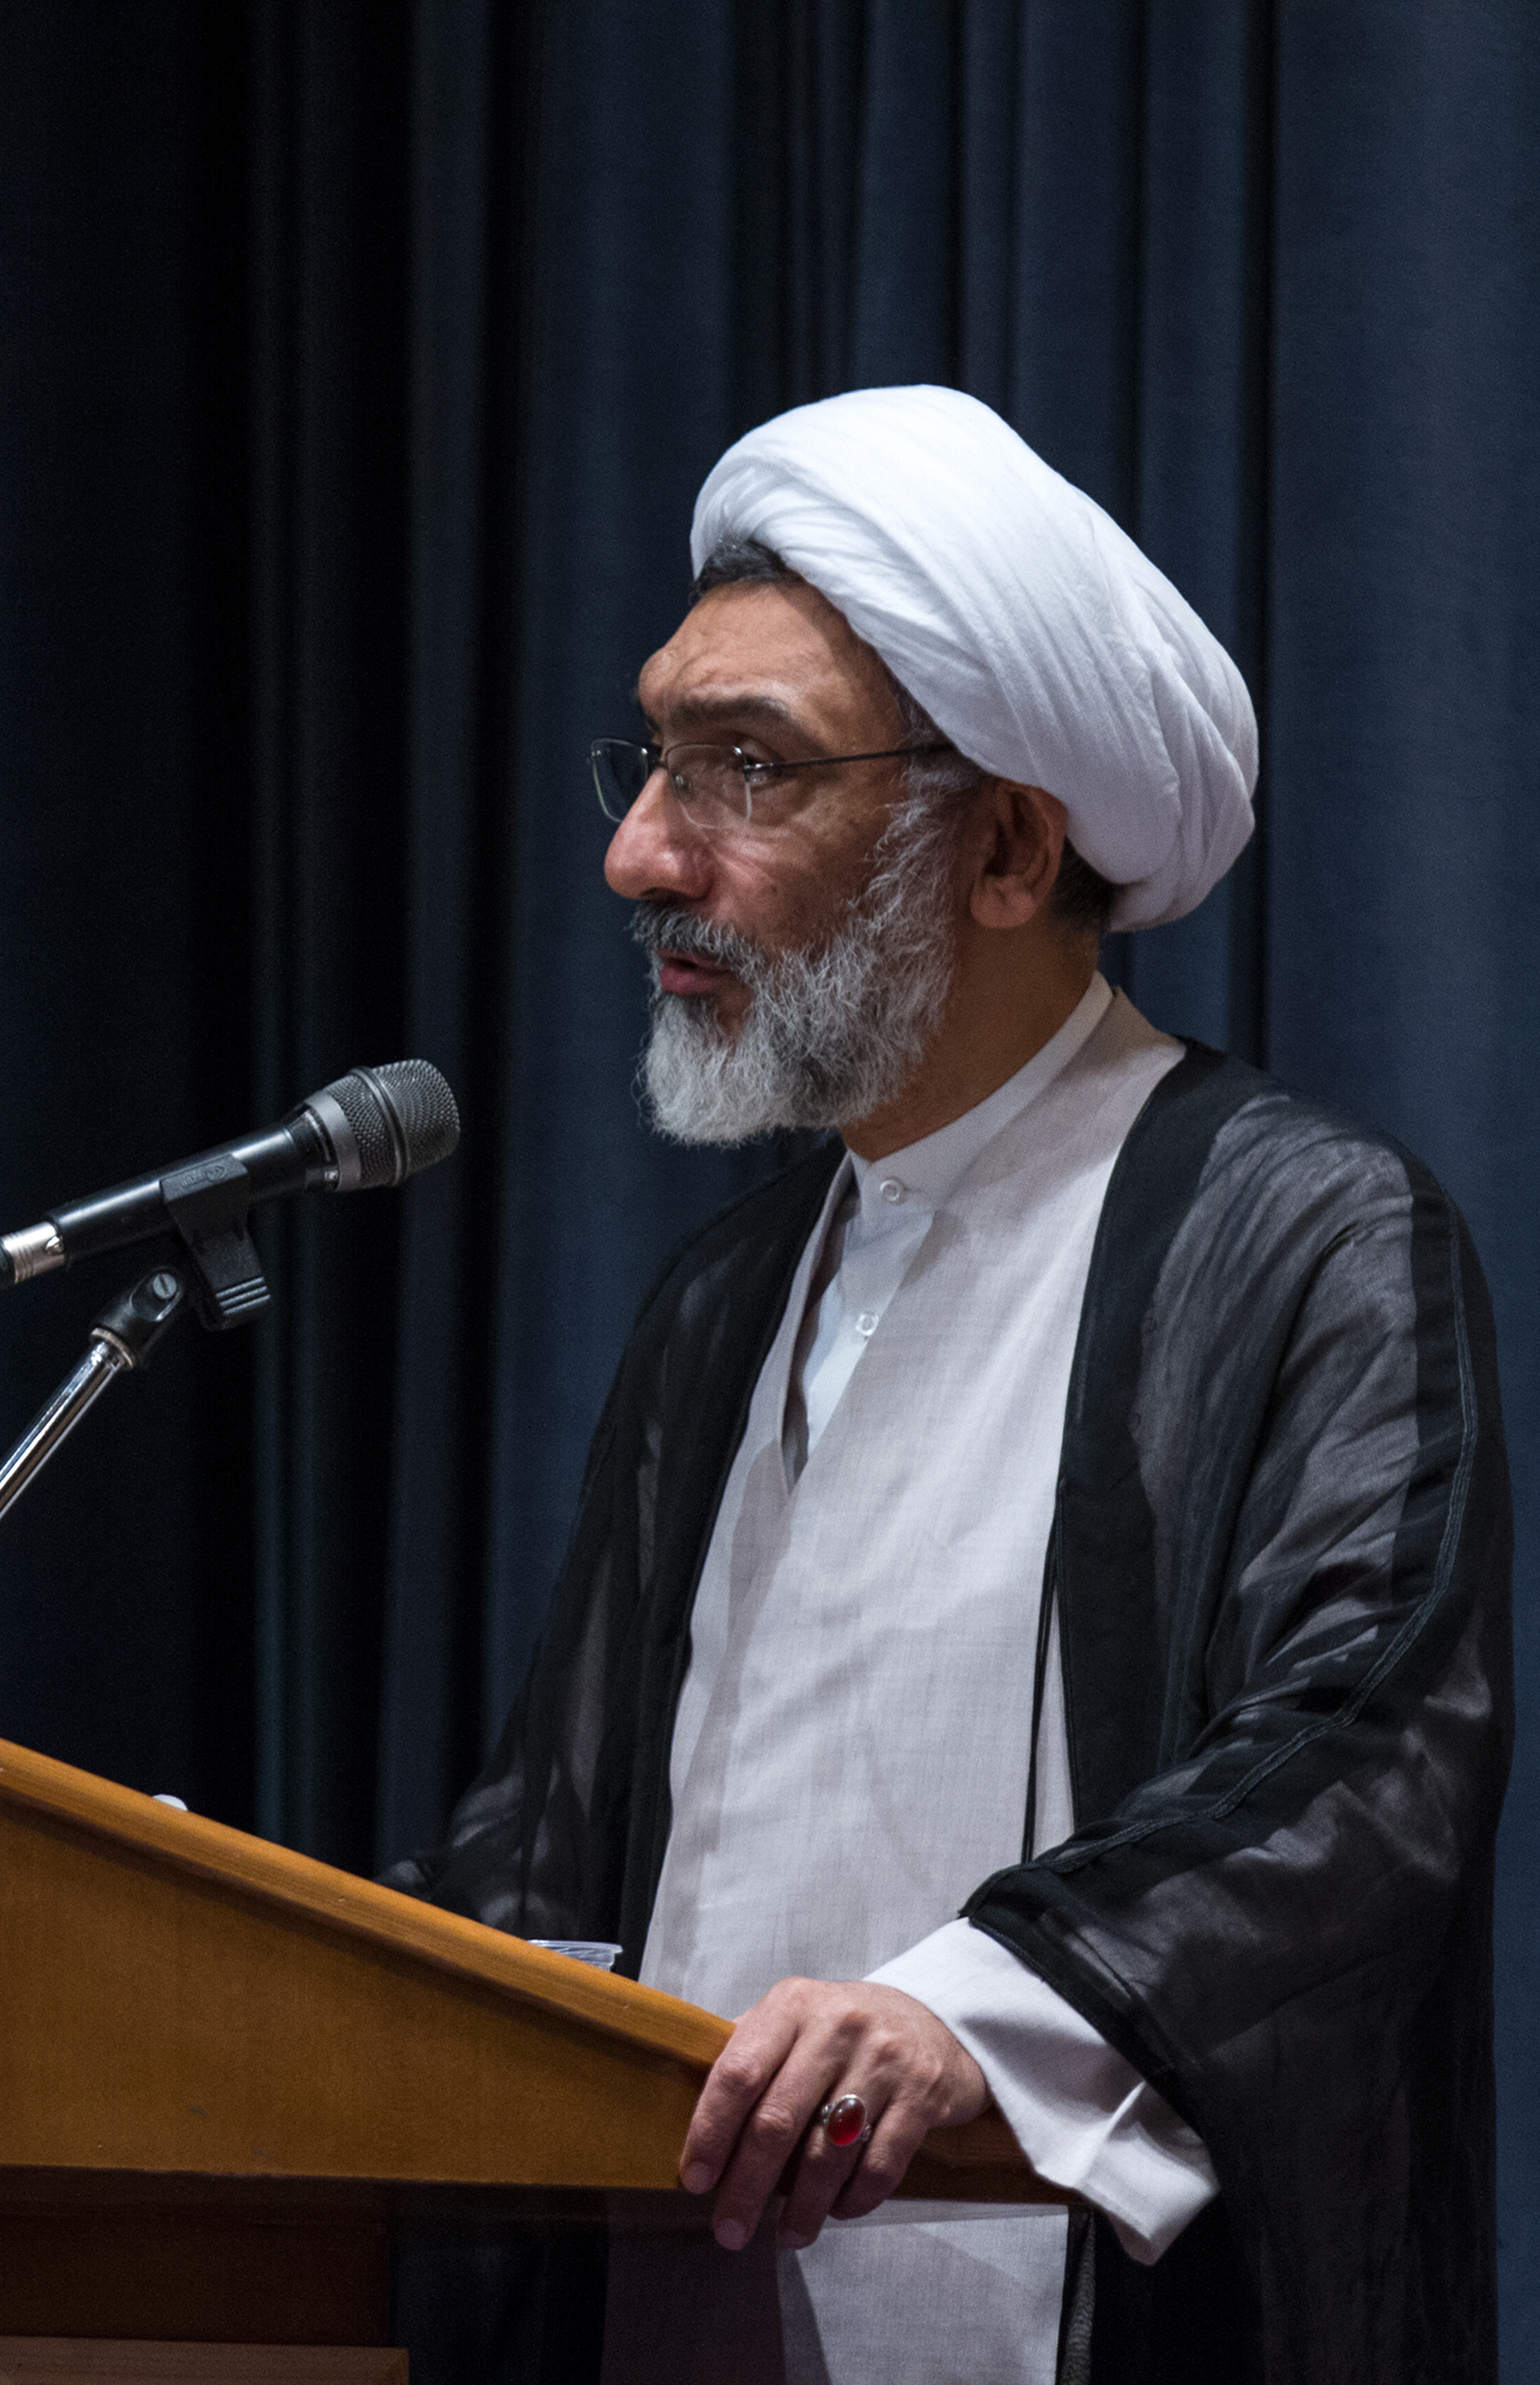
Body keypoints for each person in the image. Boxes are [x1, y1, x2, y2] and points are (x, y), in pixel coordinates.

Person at [386, 386, 1511, 2384]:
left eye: (747, 770)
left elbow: (1363, 1767)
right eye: (654, 761)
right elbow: (548, 1848)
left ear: (1003, 847)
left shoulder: (1295, 1235)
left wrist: (964, 2011)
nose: (642, 852)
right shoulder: (725, 1297)